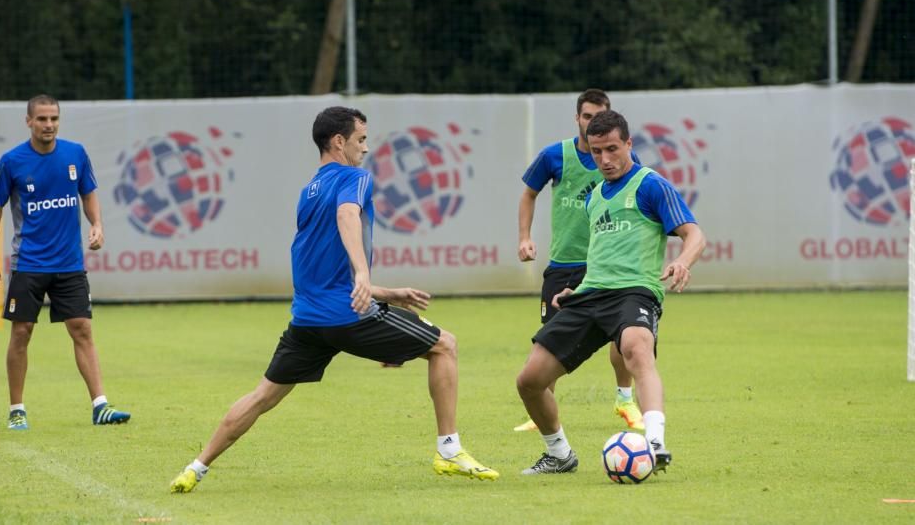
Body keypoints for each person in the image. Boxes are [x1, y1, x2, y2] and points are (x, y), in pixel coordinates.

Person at [169, 106, 498, 493]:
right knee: (445, 345)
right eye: (361, 139)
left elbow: (321, 271)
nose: (367, 148)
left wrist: (386, 292)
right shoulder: (354, 178)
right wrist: (363, 273)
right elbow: (348, 217)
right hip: (347, 316)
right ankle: (449, 450)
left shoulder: (308, 192)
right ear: (338, 141)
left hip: (307, 322)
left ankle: (196, 467)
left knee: (261, 397)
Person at [516, 110, 705, 475]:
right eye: (597, 151)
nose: (604, 159)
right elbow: (601, 255)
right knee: (530, 380)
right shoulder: (595, 197)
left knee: (637, 347)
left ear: (629, 145)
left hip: (635, 292)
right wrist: (577, 289)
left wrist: (683, 261)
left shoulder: (651, 185)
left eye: (613, 149)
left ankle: (654, 442)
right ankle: (559, 454)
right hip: (590, 295)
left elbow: (694, 234)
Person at [0, 94, 130, 430]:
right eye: (42, 119)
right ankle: (17, 409)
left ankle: (100, 406)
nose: (48, 125)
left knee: (83, 330)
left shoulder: (75, 154)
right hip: (29, 264)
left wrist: (97, 224)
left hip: (70, 264)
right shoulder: (12, 161)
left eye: (54, 119)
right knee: (22, 332)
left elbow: (88, 192)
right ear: (29, 122)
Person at [516, 89, 643, 433]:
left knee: (624, 336)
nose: (591, 125)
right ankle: (540, 411)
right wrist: (525, 237)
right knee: (550, 339)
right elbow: (529, 193)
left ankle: (624, 398)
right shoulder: (554, 155)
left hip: (605, 268)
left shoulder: (623, 163)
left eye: (598, 116)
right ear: (577, 118)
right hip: (562, 265)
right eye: (586, 117)